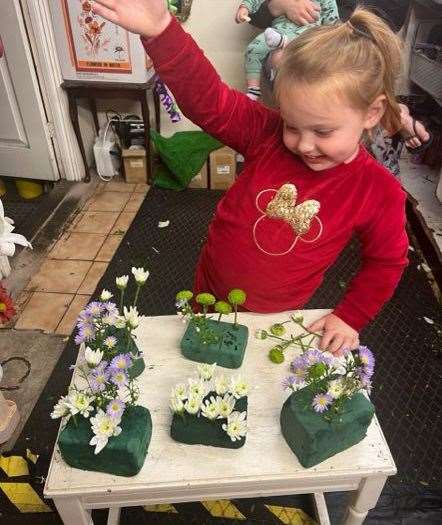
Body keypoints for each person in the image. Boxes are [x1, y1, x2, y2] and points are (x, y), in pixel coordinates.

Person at [92, 0, 409, 355]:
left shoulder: (378, 191)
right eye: (292, 124)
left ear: (372, 112)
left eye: (322, 131)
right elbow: (210, 101)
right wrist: (163, 30)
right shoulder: (267, 133)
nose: (304, 144)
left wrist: (350, 316)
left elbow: (386, 262)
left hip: (276, 321)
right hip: (208, 292)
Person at [235, 0, 339, 99]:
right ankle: (253, 91)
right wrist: (244, 8)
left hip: (309, 33)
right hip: (278, 32)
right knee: (253, 48)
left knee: (304, 56)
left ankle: (283, 42)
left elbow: (333, 24)